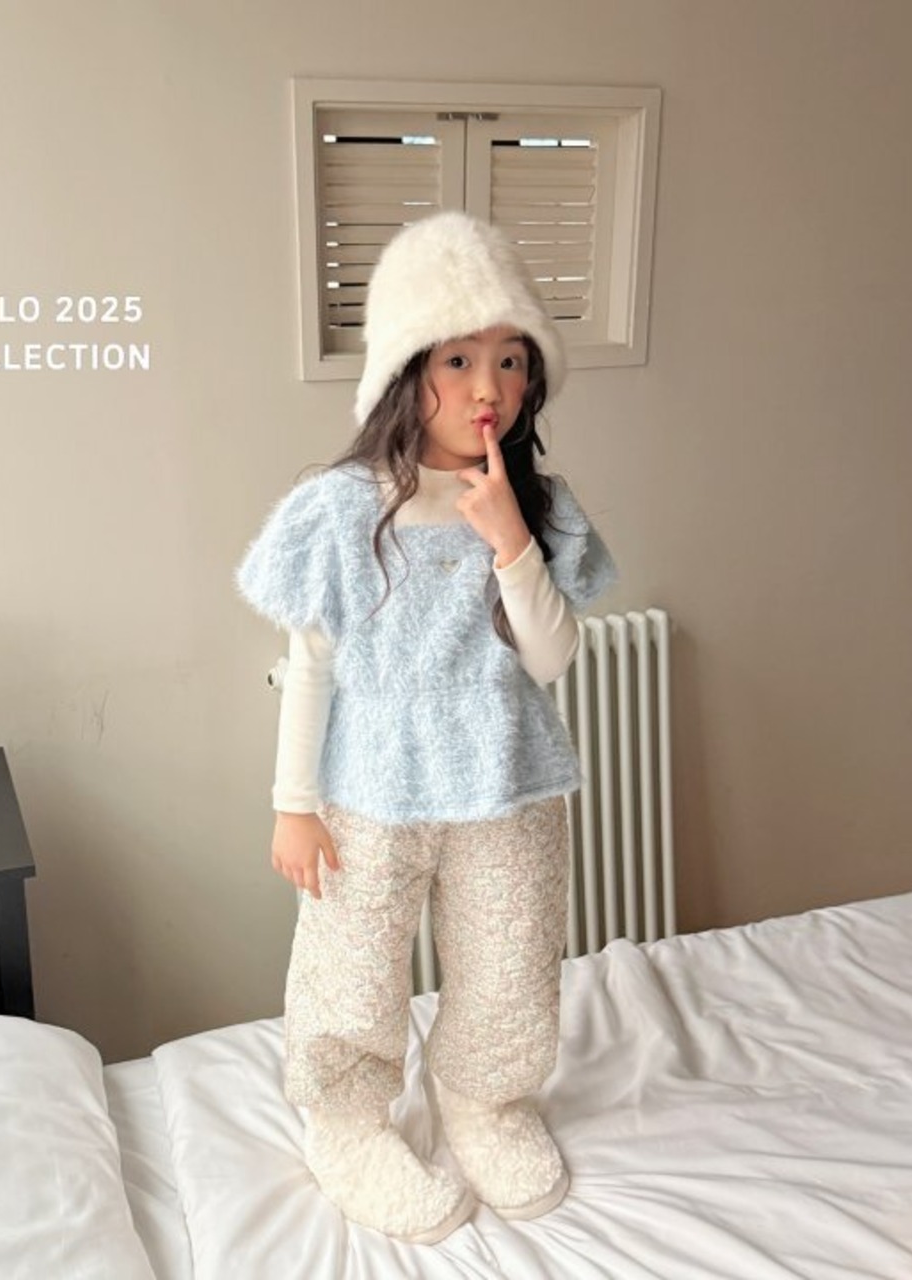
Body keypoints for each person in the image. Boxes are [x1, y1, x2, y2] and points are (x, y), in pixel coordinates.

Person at [235, 211, 616, 1244]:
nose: (488, 386)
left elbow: (552, 659)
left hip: (508, 782)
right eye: (457, 359)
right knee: (352, 968)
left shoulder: (538, 506)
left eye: (510, 360)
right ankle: (348, 1121)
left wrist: (510, 541)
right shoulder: (340, 510)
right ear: (407, 371)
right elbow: (310, 665)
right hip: (369, 791)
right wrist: (293, 805)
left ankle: (485, 1102)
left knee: (511, 956)